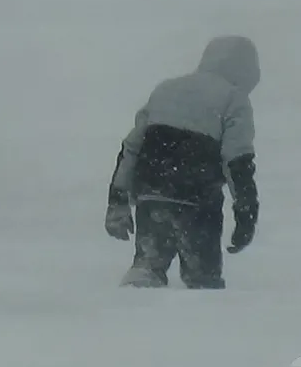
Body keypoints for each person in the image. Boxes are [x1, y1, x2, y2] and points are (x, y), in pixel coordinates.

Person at [105, 36, 260, 289]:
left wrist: (117, 200)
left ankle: (128, 317)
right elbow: (238, 161)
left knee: (146, 271)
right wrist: (246, 214)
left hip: (151, 195)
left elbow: (131, 148)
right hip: (198, 201)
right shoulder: (233, 99)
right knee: (203, 283)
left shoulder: (165, 89)